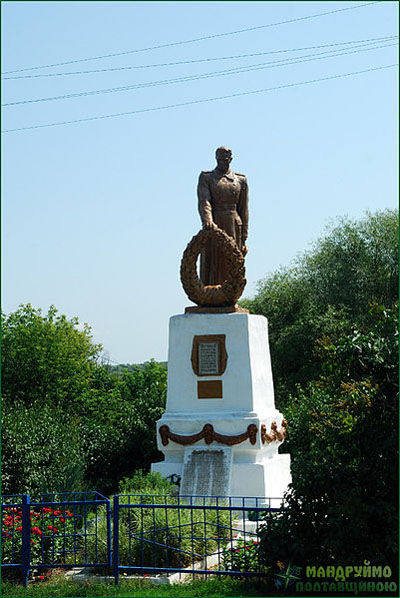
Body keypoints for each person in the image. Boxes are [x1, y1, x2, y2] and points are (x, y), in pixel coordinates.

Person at [197, 146, 249, 285]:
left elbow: (244, 209)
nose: (222, 162)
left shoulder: (240, 180)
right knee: (213, 261)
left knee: (231, 261)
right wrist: (208, 221)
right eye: (219, 159)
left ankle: (230, 293)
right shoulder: (207, 178)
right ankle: (210, 294)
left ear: (230, 160)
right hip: (215, 222)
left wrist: (244, 237)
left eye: (225, 159)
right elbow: (204, 201)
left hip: (233, 225)